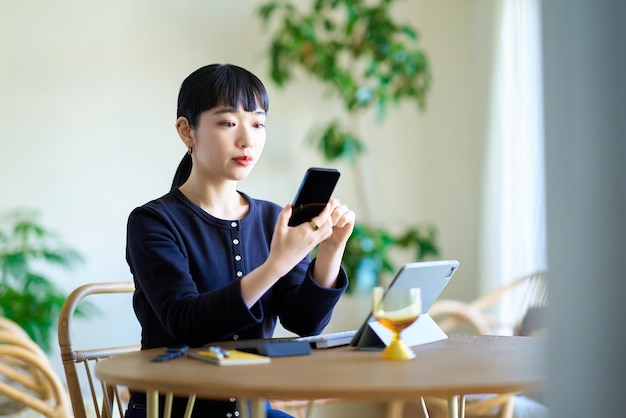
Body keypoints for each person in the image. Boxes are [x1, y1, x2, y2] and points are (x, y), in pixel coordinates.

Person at [124, 63, 355, 418]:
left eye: (258, 124)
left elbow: (304, 322)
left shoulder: (269, 218)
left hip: (249, 410)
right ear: (187, 131)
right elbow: (187, 324)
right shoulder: (152, 222)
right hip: (171, 409)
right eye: (228, 123)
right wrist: (276, 264)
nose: (247, 139)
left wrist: (331, 249)